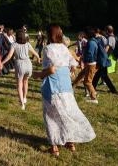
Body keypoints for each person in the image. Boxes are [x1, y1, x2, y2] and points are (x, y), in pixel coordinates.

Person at [33, 25, 95, 156]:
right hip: (66, 87)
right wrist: (71, 69)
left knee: (51, 116)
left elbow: (49, 70)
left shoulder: (48, 49)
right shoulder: (64, 48)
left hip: (53, 87)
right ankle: (70, 142)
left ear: (49, 35)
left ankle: (54, 146)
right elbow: (74, 63)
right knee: (67, 113)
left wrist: (36, 75)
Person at [1, 29, 40, 110]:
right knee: (25, 81)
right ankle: (25, 98)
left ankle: (22, 103)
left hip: (20, 64)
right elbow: (34, 53)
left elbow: (9, 56)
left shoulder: (14, 45)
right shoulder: (28, 44)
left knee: (19, 84)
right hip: (28, 64)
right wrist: (38, 58)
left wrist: (2, 62)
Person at [72, 27, 99, 103]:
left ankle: (94, 98)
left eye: (84, 33)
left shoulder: (91, 43)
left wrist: (83, 61)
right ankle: (71, 90)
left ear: (87, 34)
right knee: (80, 76)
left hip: (90, 64)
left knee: (87, 81)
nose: (83, 34)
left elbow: (89, 54)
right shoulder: (93, 41)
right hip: (89, 63)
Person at [92, 28, 116, 94]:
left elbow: (105, 48)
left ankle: (92, 88)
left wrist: (102, 57)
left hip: (102, 59)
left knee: (100, 75)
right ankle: (113, 89)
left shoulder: (100, 39)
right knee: (101, 75)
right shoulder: (104, 38)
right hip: (103, 58)